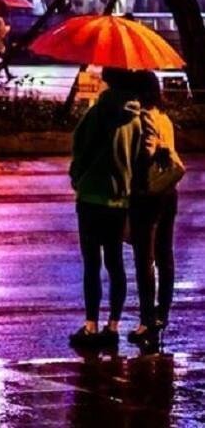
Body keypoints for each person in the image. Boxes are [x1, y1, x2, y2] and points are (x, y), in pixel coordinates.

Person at [69, 68, 142, 349]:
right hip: (119, 199)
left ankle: (91, 325)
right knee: (115, 263)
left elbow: (80, 150)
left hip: (90, 197)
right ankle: (113, 326)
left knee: (92, 264)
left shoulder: (95, 114)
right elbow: (139, 159)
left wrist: (77, 178)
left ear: (108, 81)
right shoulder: (136, 119)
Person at [128, 71, 182, 350]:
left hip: (148, 194)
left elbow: (148, 151)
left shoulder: (145, 117)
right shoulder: (165, 117)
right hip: (169, 191)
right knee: (164, 254)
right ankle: (163, 314)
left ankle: (148, 319)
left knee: (144, 258)